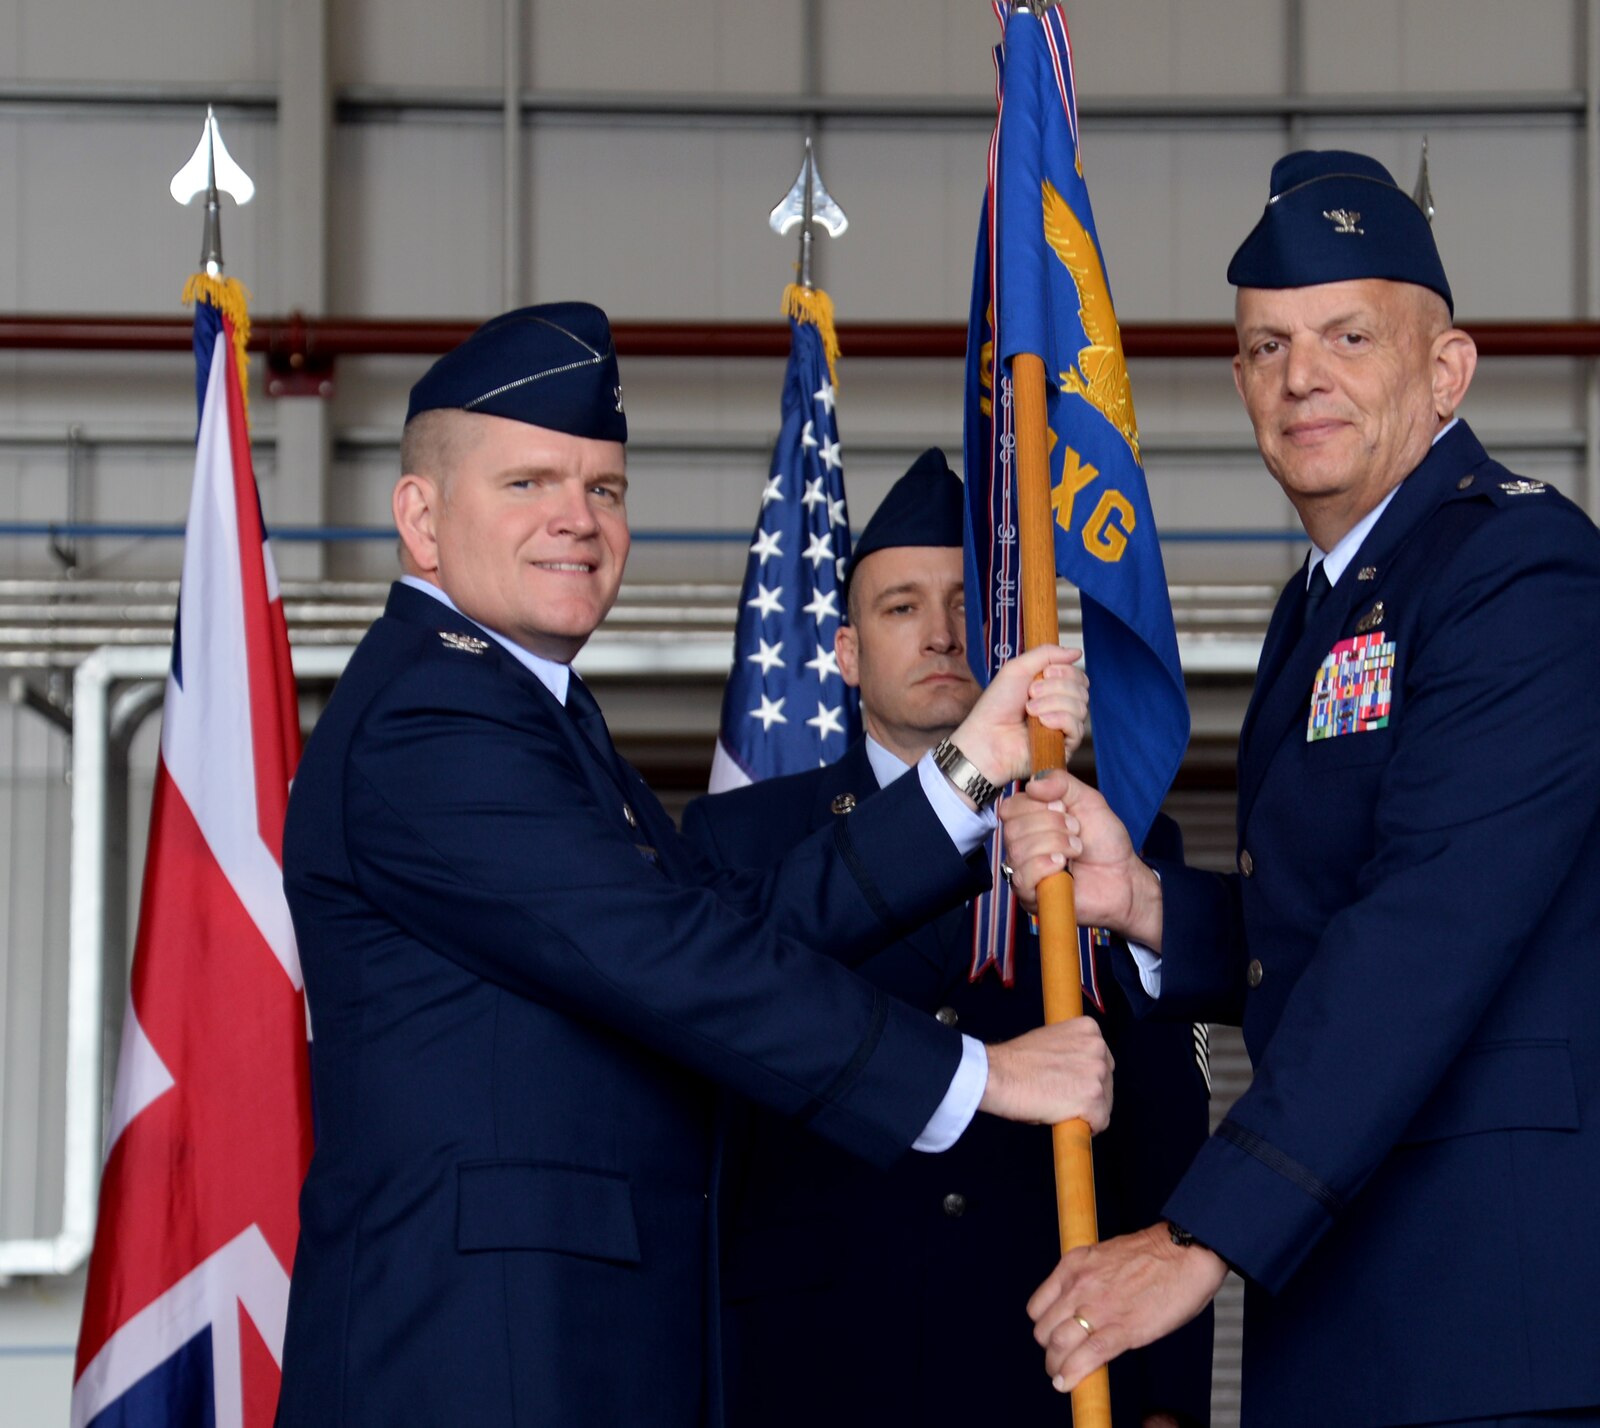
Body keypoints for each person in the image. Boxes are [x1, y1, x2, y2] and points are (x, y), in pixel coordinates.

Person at [277, 303, 1117, 1427]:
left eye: (604, 489)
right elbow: (670, 958)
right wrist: (983, 1078)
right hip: (483, 1355)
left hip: (571, 1344)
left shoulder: (528, 710)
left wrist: (973, 767)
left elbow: (739, 915)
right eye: (527, 483)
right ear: (420, 519)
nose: (576, 520)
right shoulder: (430, 719)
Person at [1001, 151, 1600, 1427]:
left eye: (1346, 335)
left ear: (1446, 370)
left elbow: (1427, 933)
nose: (1299, 377)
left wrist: (1198, 1237)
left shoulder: (1522, 575)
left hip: (1502, 1317)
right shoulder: (1322, 608)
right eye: (1265, 348)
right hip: (1360, 1305)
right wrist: (1149, 903)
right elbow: (1328, 918)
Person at [681, 448, 1213, 1428]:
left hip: (1045, 1358)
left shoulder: (1108, 832)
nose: (939, 634)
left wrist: (1168, 1399)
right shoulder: (738, 839)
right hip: (808, 1363)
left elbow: (1162, 1120)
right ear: (843, 652)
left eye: (968, 603)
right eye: (899, 607)